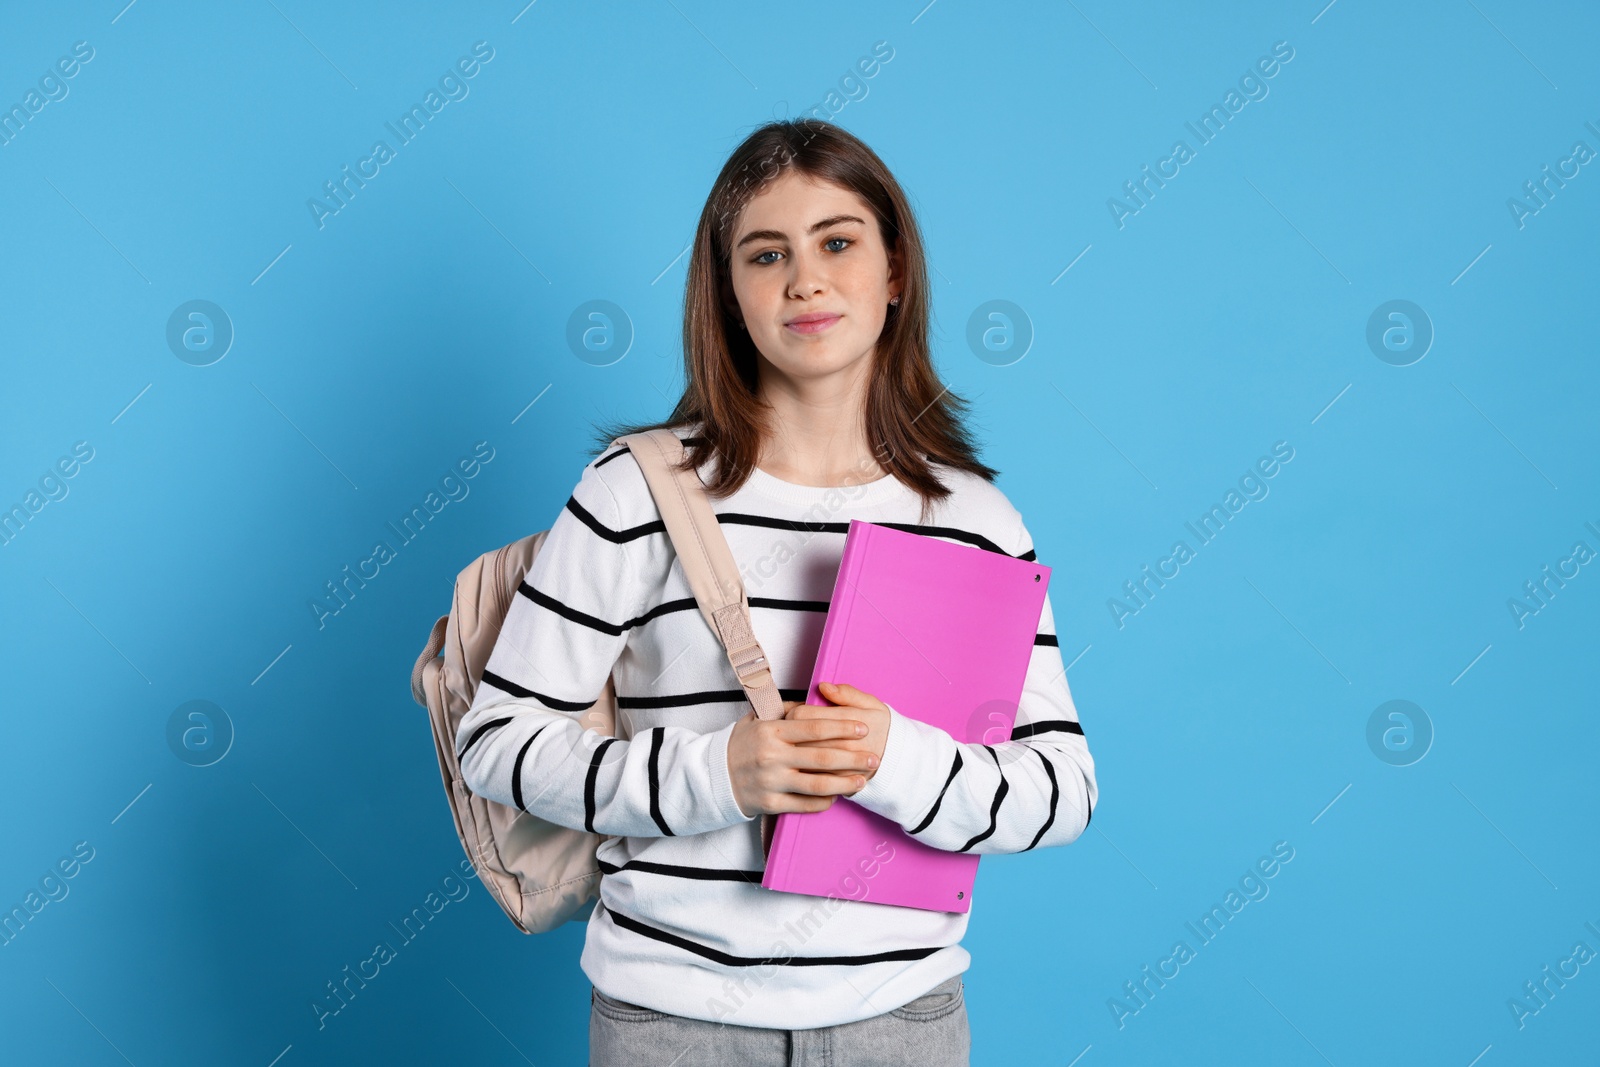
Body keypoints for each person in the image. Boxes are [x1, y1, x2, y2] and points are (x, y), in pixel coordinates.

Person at [455, 118, 1098, 1067]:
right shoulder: (635, 493)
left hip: (903, 1023)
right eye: (767, 254)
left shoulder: (974, 517)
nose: (805, 278)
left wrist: (895, 760)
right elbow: (497, 743)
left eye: (838, 242)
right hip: (672, 1025)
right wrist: (723, 774)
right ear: (729, 293)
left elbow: (1063, 789)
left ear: (894, 275)